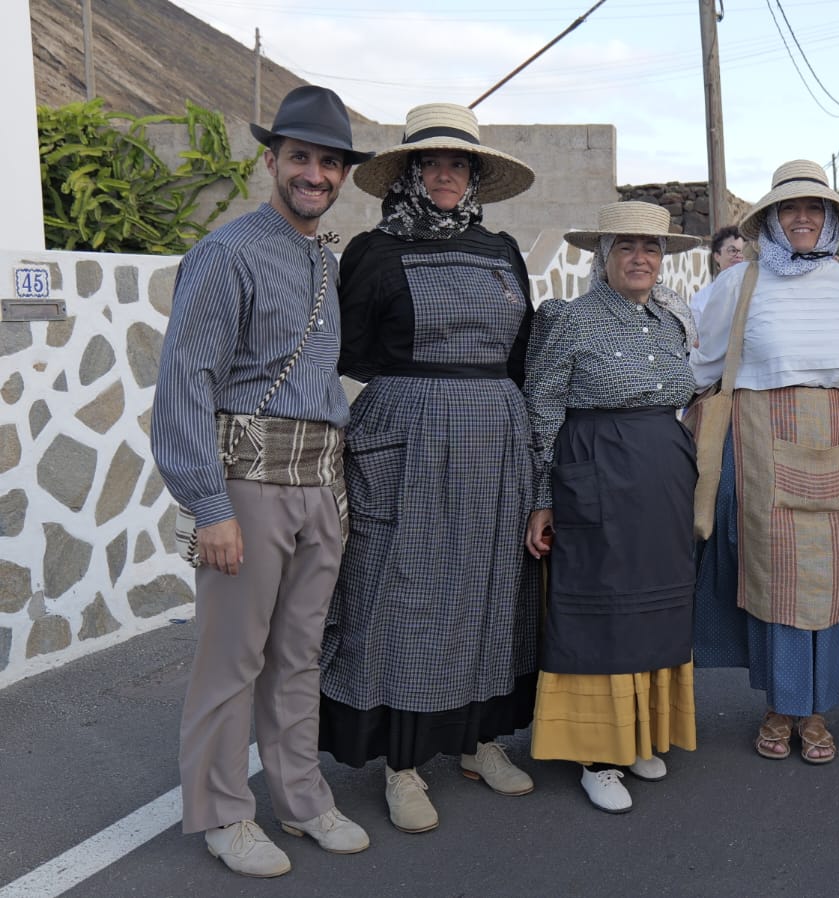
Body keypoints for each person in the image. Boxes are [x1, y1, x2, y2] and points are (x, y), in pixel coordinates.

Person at [151, 85, 373, 878]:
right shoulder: (227, 252)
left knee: (300, 654)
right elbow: (185, 380)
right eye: (302, 157)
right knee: (231, 658)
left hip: (321, 483)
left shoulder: (323, 258)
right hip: (246, 481)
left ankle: (303, 799)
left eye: (330, 162)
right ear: (272, 159)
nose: (316, 174)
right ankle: (221, 813)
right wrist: (208, 506)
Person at [316, 103, 539, 835]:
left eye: (457, 165)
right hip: (407, 434)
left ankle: (479, 741)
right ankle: (404, 765)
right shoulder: (375, 252)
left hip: (495, 434)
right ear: (410, 174)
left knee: (488, 587)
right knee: (403, 588)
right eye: (432, 165)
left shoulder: (502, 251)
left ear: (474, 177)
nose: (445, 176)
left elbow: (520, 354)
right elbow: (348, 352)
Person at [690, 160, 839, 765]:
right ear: (771, 219)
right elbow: (703, 362)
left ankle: (819, 710)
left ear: (830, 220)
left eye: (814, 209)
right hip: (759, 441)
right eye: (789, 209)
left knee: (832, 575)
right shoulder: (738, 284)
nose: (802, 218)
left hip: (838, 435)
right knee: (775, 573)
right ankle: (780, 705)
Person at [525, 202, 702, 814]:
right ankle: (597, 756)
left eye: (650, 249)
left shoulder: (672, 317)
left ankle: (639, 738)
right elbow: (542, 409)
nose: (640, 259)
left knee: (657, 602)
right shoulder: (568, 319)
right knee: (602, 605)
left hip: (662, 475)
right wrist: (541, 498)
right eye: (625, 247)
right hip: (595, 466)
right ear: (603, 257)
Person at [690, 225, 746, 321]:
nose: (739, 256)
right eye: (732, 250)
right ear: (717, 256)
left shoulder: (756, 292)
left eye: (742, 251)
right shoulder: (701, 300)